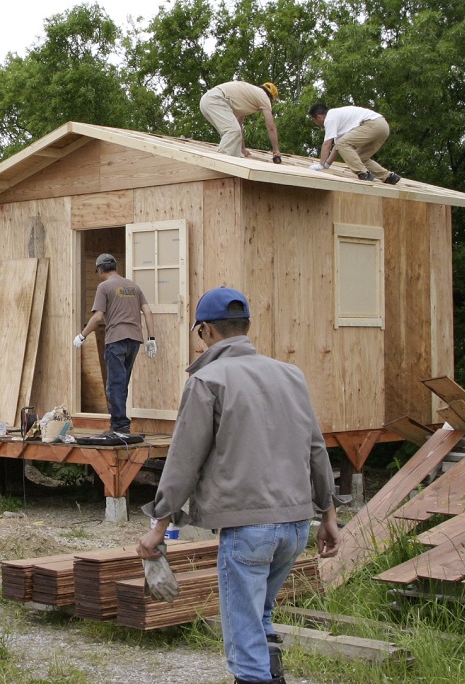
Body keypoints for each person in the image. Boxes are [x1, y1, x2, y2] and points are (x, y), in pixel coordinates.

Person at [137, 287, 339, 684]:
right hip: (296, 527)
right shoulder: (291, 375)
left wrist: (158, 528)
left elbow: (183, 461)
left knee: (243, 640)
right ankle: (272, 673)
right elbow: (316, 448)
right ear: (246, 327)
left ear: (206, 331)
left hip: (248, 530)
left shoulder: (207, 380)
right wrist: (329, 515)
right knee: (259, 615)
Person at [73, 253, 157, 434]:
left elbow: (98, 317)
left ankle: (120, 426)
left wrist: (82, 335)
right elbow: (148, 312)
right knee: (122, 383)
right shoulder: (133, 286)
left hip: (116, 340)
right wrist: (151, 339)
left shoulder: (104, 287)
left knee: (114, 385)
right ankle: (120, 424)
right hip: (134, 340)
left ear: (100, 269)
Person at [307, 103, 400, 185]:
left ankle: (363, 173)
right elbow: (337, 147)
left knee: (343, 144)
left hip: (372, 123)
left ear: (319, 117)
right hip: (383, 126)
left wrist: (320, 164)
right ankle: (388, 177)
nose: (316, 123)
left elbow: (327, 143)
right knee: (358, 158)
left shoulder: (330, 118)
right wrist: (326, 165)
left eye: (313, 120)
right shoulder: (339, 119)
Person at [199, 81, 283, 163]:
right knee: (232, 131)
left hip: (206, 101)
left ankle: (227, 163)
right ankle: (219, 163)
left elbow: (238, 123)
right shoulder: (264, 97)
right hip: (216, 100)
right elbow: (271, 127)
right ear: (271, 97)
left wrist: (242, 148)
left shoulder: (250, 94)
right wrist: (276, 150)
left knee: (232, 139)